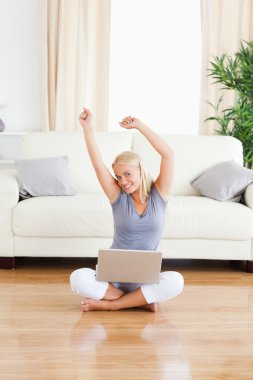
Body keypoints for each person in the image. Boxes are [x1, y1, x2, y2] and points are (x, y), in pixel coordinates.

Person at [70, 108, 184, 312]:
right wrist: (88, 129)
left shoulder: (160, 194)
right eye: (118, 177)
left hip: (144, 281)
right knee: (78, 278)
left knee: (176, 281)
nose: (123, 181)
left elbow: (168, 155)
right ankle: (138, 300)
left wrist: (139, 126)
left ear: (141, 170)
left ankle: (111, 305)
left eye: (128, 174)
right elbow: (97, 165)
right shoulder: (118, 197)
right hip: (113, 280)